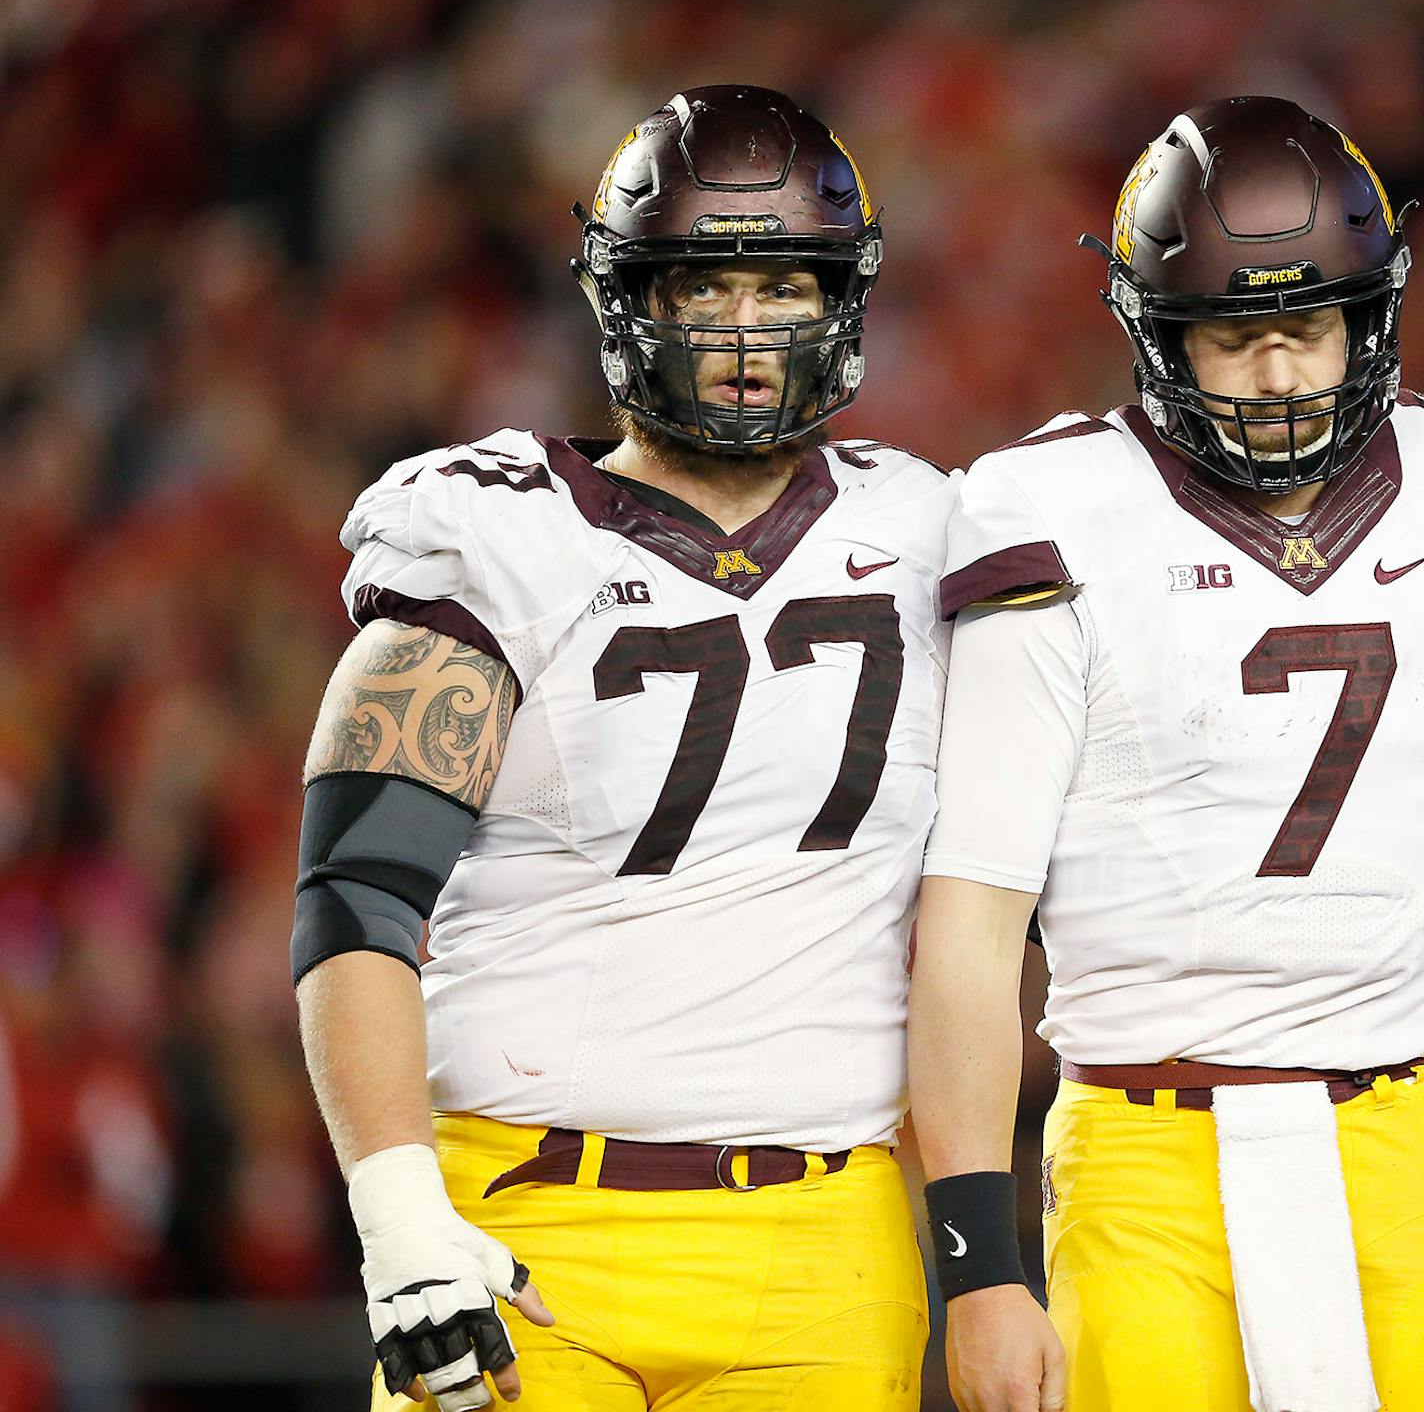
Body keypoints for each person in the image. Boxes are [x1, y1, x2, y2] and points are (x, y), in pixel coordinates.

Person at [907, 96, 1424, 1412]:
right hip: (1144, 1149)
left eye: (1306, 328)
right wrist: (978, 1260)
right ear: (1157, 332)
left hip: (1410, 1132)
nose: (1276, 375)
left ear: (1368, 318)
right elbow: (975, 915)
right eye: (1232, 335)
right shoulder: (1051, 505)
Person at [293, 86, 951, 1412]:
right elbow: (357, 900)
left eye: (785, 286)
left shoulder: (934, 531)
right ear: (626, 300)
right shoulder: (494, 536)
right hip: (528, 1213)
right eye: (707, 288)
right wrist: (400, 1213)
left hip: (822, 1237)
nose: (750, 333)